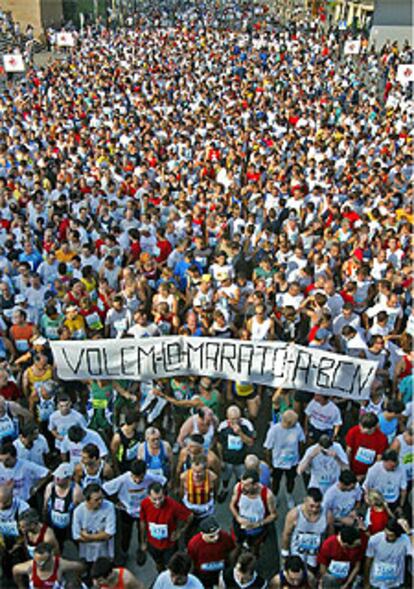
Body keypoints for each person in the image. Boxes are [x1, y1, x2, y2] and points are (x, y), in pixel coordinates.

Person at [103, 459, 166, 564]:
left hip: (143, 511)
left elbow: (163, 482)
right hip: (126, 511)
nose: (137, 480)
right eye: (134, 477)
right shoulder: (123, 479)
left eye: (140, 477)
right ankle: (123, 554)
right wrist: (116, 501)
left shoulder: (150, 477)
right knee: (124, 535)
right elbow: (106, 489)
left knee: (143, 533)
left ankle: (141, 550)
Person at [139, 482, 193, 572]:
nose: (158, 502)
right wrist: (143, 541)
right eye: (154, 499)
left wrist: (180, 531)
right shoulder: (144, 504)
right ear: (149, 496)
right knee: (158, 563)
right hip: (152, 543)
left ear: (164, 495)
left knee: (170, 565)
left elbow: (189, 516)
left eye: (160, 498)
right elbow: (143, 522)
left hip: (169, 545)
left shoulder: (172, 505)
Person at [229, 469, 277, 554]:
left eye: (246, 485)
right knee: (236, 545)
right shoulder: (238, 488)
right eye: (242, 483)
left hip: (258, 529)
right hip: (240, 526)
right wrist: (238, 517)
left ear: (255, 485)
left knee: (255, 548)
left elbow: (274, 515)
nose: (242, 487)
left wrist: (258, 524)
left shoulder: (267, 495)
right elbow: (232, 505)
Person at [264, 410, 305, 507]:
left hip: (292, 461)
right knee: (276, 481)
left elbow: (301, 441)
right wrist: (269, 464)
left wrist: (300, 459)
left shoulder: (297, 427)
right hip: (277, 462)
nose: (297, 424)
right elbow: (267, 448)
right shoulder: (274, 430)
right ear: (288, 423)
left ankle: (289, 495)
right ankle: (275, 496)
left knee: (291, 480)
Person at [282, 487, 327, 571]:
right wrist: (285, 553)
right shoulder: (294, 514)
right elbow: (286, 534)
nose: (314, 509)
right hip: (297, 554)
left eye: (317, 507)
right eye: (311, 506)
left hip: (315, 556)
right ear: (305, 501)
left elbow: (329, 537)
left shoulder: (327, 515)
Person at [72, 483, 116, 566]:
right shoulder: (78, 511)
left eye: (101, 498)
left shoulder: (109, 506)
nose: (100, 501)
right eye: (96, 499)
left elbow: (109, 534)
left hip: (104, 553)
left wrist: (87, 536)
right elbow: (76, 536)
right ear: (87, 500)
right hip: (87, 553)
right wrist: (101, 536)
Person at [217, 405, 255, 502]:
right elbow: (219, 444)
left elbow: (250, 442)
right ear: (227, 417)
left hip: (241, 459)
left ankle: (239, 494)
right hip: (227, 459)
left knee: (241, 478)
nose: (235, 421)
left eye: (237, 418)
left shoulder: (246, 425)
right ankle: (225, 489)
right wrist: (220, 460)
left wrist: (240, 433)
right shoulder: (223, 426)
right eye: (233, 419)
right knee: (226, 477)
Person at [187, 516, 235, 589]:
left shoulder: (225, 537)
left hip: (221, 571)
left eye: (217, 533)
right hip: (204, 575)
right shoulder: (194, 544)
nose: (216, 538)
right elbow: (192, 560)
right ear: (202, 534)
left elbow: (231, 551)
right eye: (211, 536)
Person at [364, 518, 412, 589]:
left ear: (398, 535)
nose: (388, 537)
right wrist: (366, 582)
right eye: (386, 534)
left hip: (395, 583)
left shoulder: (405, 540)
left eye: (391, 535)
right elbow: (368, 561)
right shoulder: (375, 539)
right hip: (376, 582)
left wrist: (409, 533)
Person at [12, 542, 84, 589]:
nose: (40, 565)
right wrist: (21, 586)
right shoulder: (29, 566)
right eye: (37, 561)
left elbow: (80, 566)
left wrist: (76, 579)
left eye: (43, 562)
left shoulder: (60, 564)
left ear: (51, 557)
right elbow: (15, 570)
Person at [345, 413, 388, 480]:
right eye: (360, 425)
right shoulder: (353, 431)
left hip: (368, 474)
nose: (360, 428)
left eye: (363, 427)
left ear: (373, 427)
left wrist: (366, 476)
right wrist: (348, 469)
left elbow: (378, 459)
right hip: (353, 470)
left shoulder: (382, 438)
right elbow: (348, 451)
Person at [322, 470, 362, 534]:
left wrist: (354, 510)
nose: (353, 488)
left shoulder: (356, 487)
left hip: (349, 514)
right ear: (342, 484)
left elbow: (358, 501)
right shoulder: (330, 495)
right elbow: (324, 513)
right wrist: (340, 519)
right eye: (351, 487)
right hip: (335, 518)